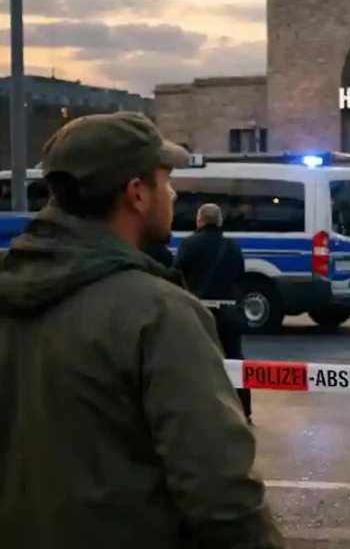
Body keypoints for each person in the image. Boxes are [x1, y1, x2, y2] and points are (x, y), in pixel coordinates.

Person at [0, 112, 282, 549]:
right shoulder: (159, 312)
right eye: (164, 180)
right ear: (136, 193)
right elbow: (220, 495)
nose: (171, 193)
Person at [176, 203, 251, 422]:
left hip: (198, 312)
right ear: (220, 222)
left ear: (199, 221)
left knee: (194, 360)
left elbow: (177, 276)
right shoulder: (232, 246)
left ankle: (195, 411)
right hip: (228, 312)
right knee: (235, 361)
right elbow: (240, 278)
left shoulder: (188, 245)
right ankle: (244, 410)